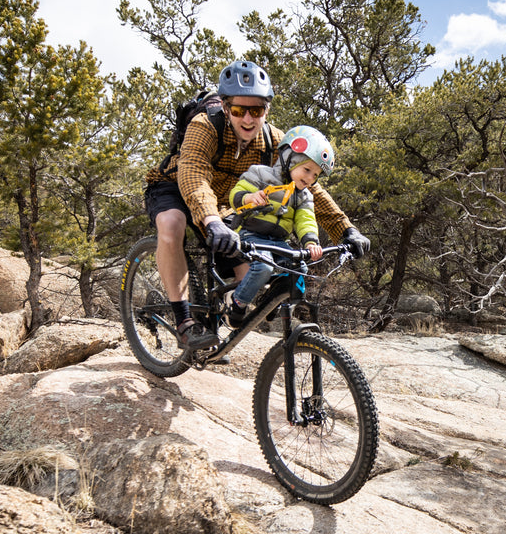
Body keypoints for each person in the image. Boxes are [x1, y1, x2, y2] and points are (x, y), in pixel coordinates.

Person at [143, 60, 370, 350]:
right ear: (226, 107)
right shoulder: (205, 127)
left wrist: (345, 230)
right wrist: (211, 220)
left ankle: (218, 327)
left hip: (226, 203)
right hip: (175, 186)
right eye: (239, 110)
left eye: (257, 111)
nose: (248, 119)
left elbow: (307, 185)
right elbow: (194, 173)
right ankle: (184, 321)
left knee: (250, 276)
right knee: (172, 224)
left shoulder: (275, 141)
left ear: (267, 110)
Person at [224, 125, 332, 326]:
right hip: (250, 234)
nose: (310, 178)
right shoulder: (260, 174)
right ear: (289, 158)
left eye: (315, 175)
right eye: (307, 170)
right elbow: (235, 195)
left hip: (277, 241)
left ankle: (269, 303)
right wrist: (249, 197)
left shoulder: (304, 195)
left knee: (299, 268)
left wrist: (310, 242)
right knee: (263, 266)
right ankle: (237, 302)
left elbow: (306, 219)